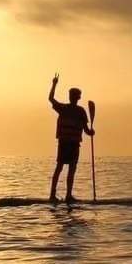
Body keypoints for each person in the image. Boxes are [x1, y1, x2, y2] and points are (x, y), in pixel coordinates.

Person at [48, 74, 94, 203]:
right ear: (76, 98)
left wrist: (91, 132)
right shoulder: (67, 109)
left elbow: (86, 130)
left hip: (71, 144)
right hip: (67, 143)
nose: (75, 98)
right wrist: (54, 84)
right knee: (62, 168)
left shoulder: (80, 111)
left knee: (66, 168)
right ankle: (55, 195)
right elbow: (51, 99)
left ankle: (65, 195)